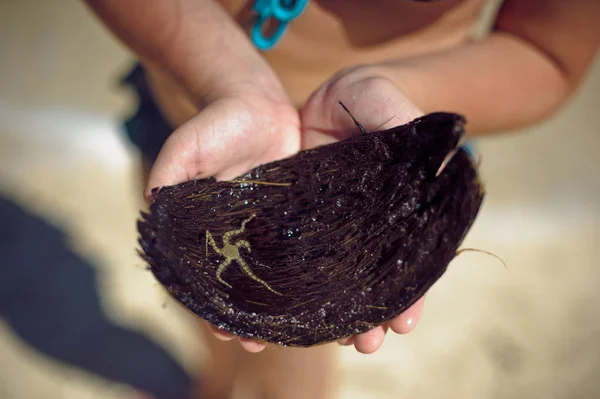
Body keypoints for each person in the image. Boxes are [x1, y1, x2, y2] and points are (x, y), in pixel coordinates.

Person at [84, 1, 600, 398]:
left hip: (376, 154)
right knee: (196, 307)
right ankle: (212, 387)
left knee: (289, 368)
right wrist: (224, 76)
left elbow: (546, 51)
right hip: (187, 117)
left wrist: (389, 87)